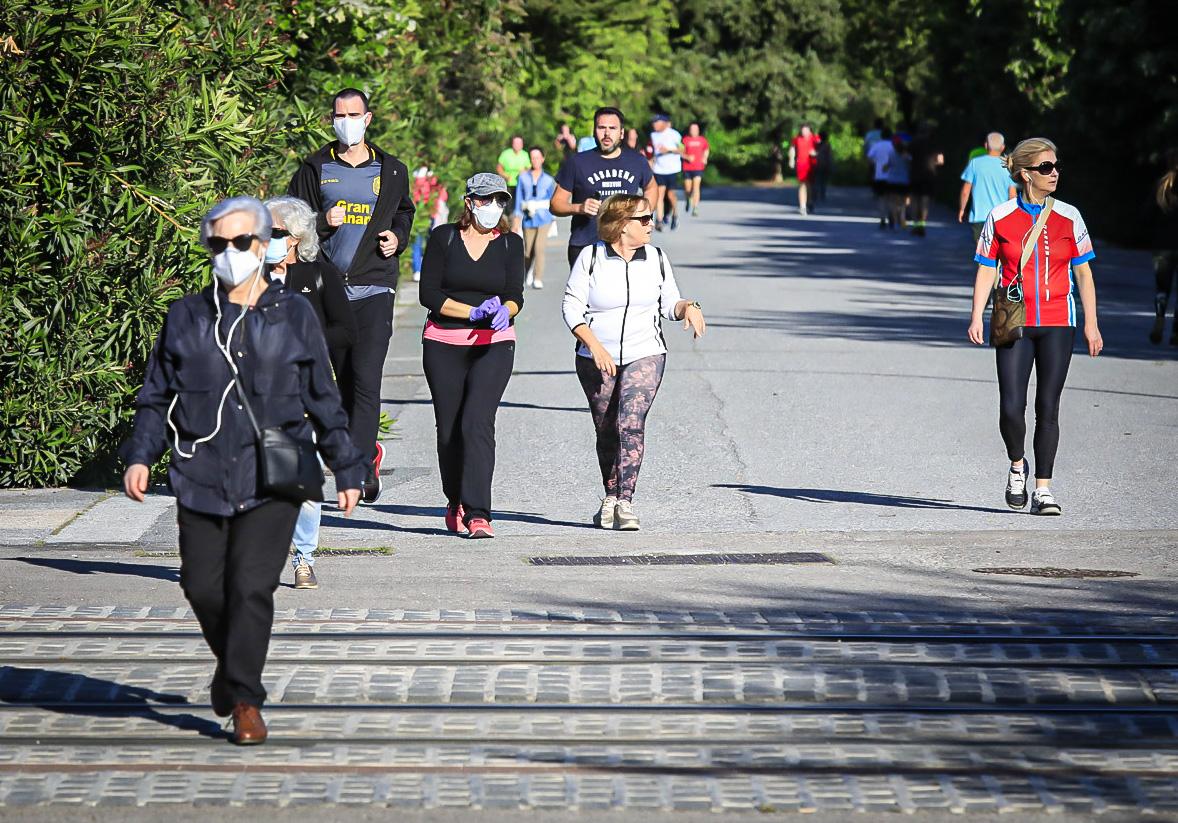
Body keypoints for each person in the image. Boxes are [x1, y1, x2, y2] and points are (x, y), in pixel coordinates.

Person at [119, 196, 364, 744]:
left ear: (262, 246)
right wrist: (141, 454)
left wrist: (347, 468)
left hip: (271, 477)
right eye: (217, 244)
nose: (228, 253)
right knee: (203, 586)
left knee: (252, 586)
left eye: (240, 242)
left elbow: (323, 397)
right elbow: (156, 395)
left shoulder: (293, 313)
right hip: (200, 471)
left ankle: (245, 699)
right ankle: (233, 668)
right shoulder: (186, 316)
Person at [287, 88, 415, 505]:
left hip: (375, 283)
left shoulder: (392, 169)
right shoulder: (315, 167)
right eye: (339, 114)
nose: (347, 121)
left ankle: (358, 467)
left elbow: (404, 211)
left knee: (366, 374)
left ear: (368, 118)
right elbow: (292, 220)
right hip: (328, 289)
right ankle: (367, 453)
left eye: (354, 114)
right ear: (332, 119)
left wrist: (397, 236)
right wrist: (322, 221)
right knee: (342, 378)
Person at [967, 138, 1102, 516]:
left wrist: (1091, 323)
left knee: (1048, 406)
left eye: (1056, 166)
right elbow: (985, 267)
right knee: (1012, 407)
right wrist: (977, 314)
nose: (1054, 172)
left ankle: (1043, 489)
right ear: (1025, 174)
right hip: (1014, 318)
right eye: (1046, 167)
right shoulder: (1000, 216)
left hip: (1060, 321)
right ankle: (1016, 465)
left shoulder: (1070, 216)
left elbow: (1084, 273)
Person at [561, 194, 705, 531]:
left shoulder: (656, 258)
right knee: (607, 428)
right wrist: (593, 345)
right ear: (622, 225)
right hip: (596, 356)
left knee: (630, 421)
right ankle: (609, 494)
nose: (650, 224)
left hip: (646, 351)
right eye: (643, 219)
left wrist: (688, 307)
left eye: (650, 218)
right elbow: (571, 306)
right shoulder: (591, 258)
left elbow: (669, 302)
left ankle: (625, 501)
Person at [418, 173, 526, 538]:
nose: (492, 208)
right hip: (444, 342)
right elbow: (428, 294)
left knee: (477, 421)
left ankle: (479, 512)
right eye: (485, 200)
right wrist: (471, 313)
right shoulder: (443, 238)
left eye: (499, 201)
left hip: (494, 344)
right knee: (449, 429)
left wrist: (505, 310)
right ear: (469, 202)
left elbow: (515, 294)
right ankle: (456, 502)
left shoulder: (511, 244)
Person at [262, 195, 357, 591]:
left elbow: (346, 329)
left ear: (296, 237)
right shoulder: (246, 278)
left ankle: (303, 558)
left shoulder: (319, 274)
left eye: (274, 232)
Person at [550, 106, 657, 267]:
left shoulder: (637, 161)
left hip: (626, 245)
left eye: (612, 128)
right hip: (585, 246)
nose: (607, 134)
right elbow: (555, 204)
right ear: (594, 131)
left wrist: (644, 215)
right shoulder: (576, 162)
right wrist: (579, 208)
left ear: (621, 133)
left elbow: (651, 188)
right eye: (601, 128)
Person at [959, 132, 1018, 243]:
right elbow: (1012, 195)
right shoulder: (1007, 167)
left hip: (979, 216)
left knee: (981, 253)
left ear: (986, 145)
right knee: (998, 251)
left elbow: (965, 191)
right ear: (1003, 147)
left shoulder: (975, 163)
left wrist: (962, 209)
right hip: (1001, 217)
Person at [512, 146, 557, 290]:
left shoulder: (549, 180)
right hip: (528, 217)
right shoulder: (523, 178)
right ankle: (528, 272)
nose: (535, 160)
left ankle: (538, 277)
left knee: (539, 248)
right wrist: (516, 219)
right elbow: (518, 199)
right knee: (528, 251)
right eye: (532, 157)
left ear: (543, 159)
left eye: (538, 157)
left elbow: (553, 200)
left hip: (544, 217)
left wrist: (554, 218)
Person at [1149, 149, 1178, 345]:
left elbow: (1146, 215)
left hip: (1163, 245)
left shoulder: (1162, 186)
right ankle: (1176, 332)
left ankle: (1160, 313)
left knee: (1162, 288)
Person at [410, 166, 450, 283]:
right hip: (423, 214)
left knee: (425, 243)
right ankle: (420, 270)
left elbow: (442, 195)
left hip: (428, 214)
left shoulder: (426, 177)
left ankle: (423, 270)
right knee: (420, 243)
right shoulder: (427, 177)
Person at [907, 124, 944, 236]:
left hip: (915, 174)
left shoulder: (913, 142)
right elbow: (940, 161)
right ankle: (922, 224)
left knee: (914, 200)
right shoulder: (934, 143)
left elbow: (906, 157)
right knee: (925, 200)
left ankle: (915, 225)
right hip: (929, 174)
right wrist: (932, 164)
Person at [648, 113, 684, 230]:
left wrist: (668, 150)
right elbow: (652, 152)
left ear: (663, 123)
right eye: (653, 123)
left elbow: (682, 149)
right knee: (659, 194)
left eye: (656, 122)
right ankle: (659, 220)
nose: (654, 125)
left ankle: (675, 215)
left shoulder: (674, 134)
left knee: (670, 195)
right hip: (658, 169)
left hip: (672, 169)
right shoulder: (653, 135)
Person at [866, 127, 897, 229]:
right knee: (892, 198)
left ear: (882, 136)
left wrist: (875, 165)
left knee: (881, 198)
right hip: (892, 176)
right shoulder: (894, 146)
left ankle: (882, 218)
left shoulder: (877, 145)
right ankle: (892, 217)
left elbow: (870, 158)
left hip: (879, 176)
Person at [788, 124, 821, 216]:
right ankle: (802, 206)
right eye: (803, 130)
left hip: (812, 165)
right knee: (802, 184)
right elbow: (792, 148)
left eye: (806, 130)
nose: (804, 132)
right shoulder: (797, 139)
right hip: (801, 164)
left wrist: (816, 153)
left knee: (810, 185)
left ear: (810, 131)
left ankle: (810, 202)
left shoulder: (815, 138)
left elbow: (822, 148)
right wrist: (791, 160)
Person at [681, 122, 710, 216]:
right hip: (687, 167)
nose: (694, 131)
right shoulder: (685, 140)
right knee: (688, 189)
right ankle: (688, 199)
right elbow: (680, 152)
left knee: (696, 187)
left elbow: (706, 149)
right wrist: (687, 157)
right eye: (692, 129)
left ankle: (695, 208)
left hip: (698, 167)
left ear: (698, 130)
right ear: (690, 130)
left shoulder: (702, 140)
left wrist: (705, 157)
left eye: (695, 129)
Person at [884, 133, 910, 229]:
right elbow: (910, 165)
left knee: (893, 202)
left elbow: (887, 166)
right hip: (904, 181)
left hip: (892, 180)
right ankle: (902, 220)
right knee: (902, 203)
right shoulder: (906, 155)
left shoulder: (891, 153)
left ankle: (894, 222)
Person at [496, 136, 530, 202]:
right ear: (512, 144)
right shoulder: (505, 153)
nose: (517, 145)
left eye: (519, 143)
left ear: (522, 145)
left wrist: (525, 172)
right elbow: (499, 167)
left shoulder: (525, 154)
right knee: (507, 204)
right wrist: (504, 175)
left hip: (521, 184)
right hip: (507, 184)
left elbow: (529, 168)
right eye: (516, 143)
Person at [813, 133, 833, 206]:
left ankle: (816, 194)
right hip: (824, 165)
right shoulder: (827, 145)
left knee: (817, 181)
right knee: (823, 181)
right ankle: (821, 194)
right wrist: (830, 164)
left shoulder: (817, 145)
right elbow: (829, 156)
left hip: (817, 165)